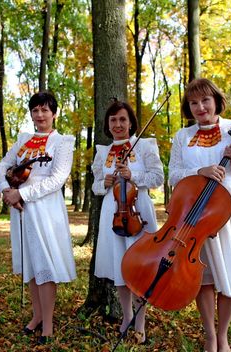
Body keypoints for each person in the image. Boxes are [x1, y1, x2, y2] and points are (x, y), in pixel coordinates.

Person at [168, 78, 231, 352]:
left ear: (216, 101)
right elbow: (173, 175)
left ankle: (223, 336)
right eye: (194, 103)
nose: (200, 107)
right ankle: (209, 336)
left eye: (205, 100)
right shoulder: (182, 137)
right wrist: (198, 172)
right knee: (204, 276)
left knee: (229, 275)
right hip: (196, 215)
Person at [0, 91, 77, 344]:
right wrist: (6, 191)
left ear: (54, 113)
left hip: (45, 208)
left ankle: (49, 323)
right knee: (30, 262)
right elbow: (1, 166)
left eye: (45, 110)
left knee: (45, 264)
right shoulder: (23, 140)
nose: (40, 115)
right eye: (35, 110)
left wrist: (23, 193)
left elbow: (57, 179)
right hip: (20, 208)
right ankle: (37, 315)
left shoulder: (62, 142)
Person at [91, 101, 164, 344]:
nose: (118, 124)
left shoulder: (144, 145)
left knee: (139, 268)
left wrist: (133, 176)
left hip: (138, 210)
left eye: (123, 119)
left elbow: (157, 178)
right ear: (108, 125)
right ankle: (126, 316)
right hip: (112, 213)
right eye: (113, 120)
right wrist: (105, 182)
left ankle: (140, 323)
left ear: (131, 122)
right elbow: (96, 186)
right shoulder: (103, 152)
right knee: (119, 266)